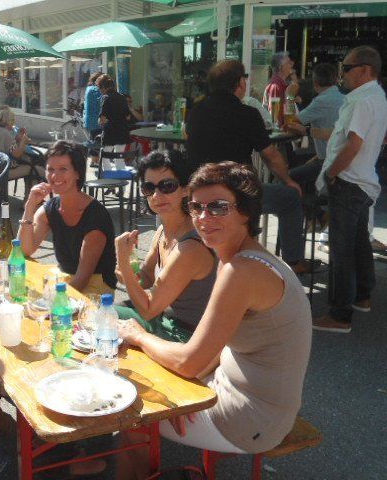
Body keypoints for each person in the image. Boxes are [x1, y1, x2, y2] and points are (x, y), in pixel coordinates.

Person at [116, 162, 312, 479]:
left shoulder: (240, 271)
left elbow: (188, 362)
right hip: (244, 397)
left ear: (245, 212)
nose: (204, 218)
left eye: (218, 207)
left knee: (130, 416)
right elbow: (212, 350)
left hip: (252, 419)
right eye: (197, 207)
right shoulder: (242, 258)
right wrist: (184, 392)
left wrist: (138, 335)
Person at [185, 59, 314, 274]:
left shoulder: (196, 111)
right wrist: (288, 181)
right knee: (290, 197)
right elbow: (271, 156)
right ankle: (293, 261)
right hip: (236, 194)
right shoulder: (246, 113)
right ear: (240, 83)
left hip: (198, 194)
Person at [312, 46, 387, 333]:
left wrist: (332, 173)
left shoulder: (362, 100)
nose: (341, 73)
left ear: (365, 69)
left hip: (350, 180)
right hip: (363, 179)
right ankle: (362, 295)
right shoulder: (376, 95)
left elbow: (353, 144)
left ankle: (339, 314)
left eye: (346, 67)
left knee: (341, 250)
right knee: (357, 242)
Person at [114, 151, 216, 338]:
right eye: (149, 188)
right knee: (102, 314)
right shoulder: (162, 231)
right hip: (165, 320)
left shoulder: (190, 247)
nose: (156, 195)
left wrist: (123, 264)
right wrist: (129, 270)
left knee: (106, 320)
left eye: (167, 186)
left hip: (185, 335)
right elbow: (146, 278)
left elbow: (148, 309)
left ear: (185, 189)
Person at [18, 140, 116, 295]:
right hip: (65, 278)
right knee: (21, 286)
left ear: (77, 173)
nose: (54, 176)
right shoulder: (49, 210)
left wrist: (50, 300)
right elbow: (24, 250)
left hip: (96, 287)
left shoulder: (95, 217)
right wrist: (30, 206)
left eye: (63, 169)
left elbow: (82, 280)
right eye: (50, 169)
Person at [286, 63, 345, 186]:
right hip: (338, 157)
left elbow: (290, 121)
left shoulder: (321, 101)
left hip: (327, 161)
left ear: (315, 81)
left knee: (286, 178)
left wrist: (289, 97)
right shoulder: (343, 97)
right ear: (336, 79)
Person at [0, 105, 43, 197]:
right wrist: (23, 142)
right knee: (33, 168)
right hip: (5, 169)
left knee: (30, 163)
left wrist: (17, 138)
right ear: (5, 121)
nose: (14, 123)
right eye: (12, 121)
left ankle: (30, 197)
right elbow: (16, 155)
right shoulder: (5, 134)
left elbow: (9, 147)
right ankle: (30, 198)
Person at [97, 75, 131, 150]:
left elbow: (102, 119)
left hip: (110, 133)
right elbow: (128, 117)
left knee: (106, 155)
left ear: (103, 88)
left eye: (100, 88)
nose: (100, 91)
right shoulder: (122, 97)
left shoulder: (105, 97)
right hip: (123, 133)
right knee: (119, 156)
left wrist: (100, 122)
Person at [262, 51, 294, 127]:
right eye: (288, 62)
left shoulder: (282, 83)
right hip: (279, 130)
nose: (292, 64)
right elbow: (274, 116)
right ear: (280, 67)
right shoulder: (276, 85)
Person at [83, 71, 104, 165]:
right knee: (97, 141)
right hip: (96, 120)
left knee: (94, 139)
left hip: (89, 120)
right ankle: (95, 160)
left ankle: (93, 160)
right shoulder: (96, 90)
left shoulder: (89, 88)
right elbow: (101, 102)